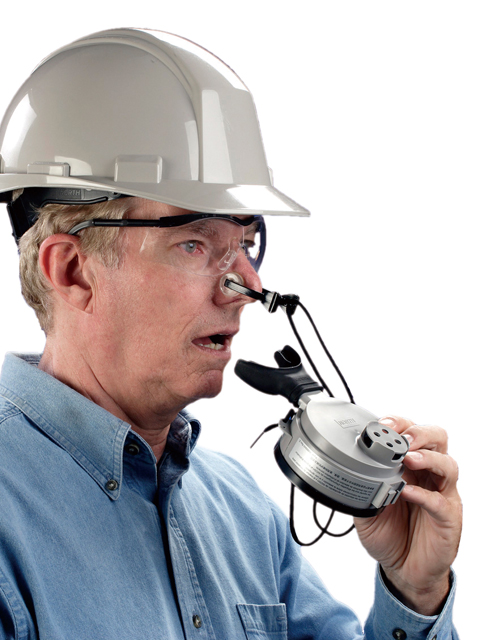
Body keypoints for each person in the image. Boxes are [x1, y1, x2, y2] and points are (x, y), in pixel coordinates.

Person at [0, 28, 461, 639]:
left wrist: (415, 591)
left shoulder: (243, 515)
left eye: (247, 241)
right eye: (194, 243)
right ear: (72, 271)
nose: (246, 284)